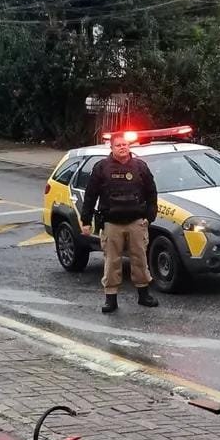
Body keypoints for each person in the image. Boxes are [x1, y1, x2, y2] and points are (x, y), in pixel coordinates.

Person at [80, 133, 159, 314]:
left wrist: (149, 216)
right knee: (111, 262)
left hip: (136, 222)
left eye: (125, 144)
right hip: (112, 223)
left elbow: (152, 193)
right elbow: (91, 196)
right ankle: (111, 299)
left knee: (140, 259)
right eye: (118, 145)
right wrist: (86, 221)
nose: (122, 148)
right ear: (112, 148)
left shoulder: (140, 167)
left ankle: (144, 295)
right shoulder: (101, 168)